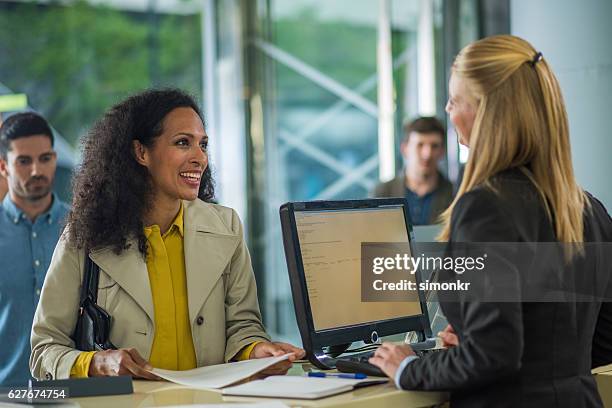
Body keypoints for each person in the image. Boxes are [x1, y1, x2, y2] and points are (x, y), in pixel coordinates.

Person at [369, 35, 612, 407]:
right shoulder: (587, 207)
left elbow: (492, 356)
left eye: (455, 100)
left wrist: (407, 368)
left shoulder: (485, 207)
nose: (448, 111)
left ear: (486, 110)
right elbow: (601, 340)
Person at [30, 89, 304, 380]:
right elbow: (43, 351)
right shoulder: (85, 235)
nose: (200, 157)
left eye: (203, 144)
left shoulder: (227, 227)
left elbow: (243, 328)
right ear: (141, 152)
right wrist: (97, 363)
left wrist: (256, 350)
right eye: (183, 143)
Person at [0, 112, 69, 386]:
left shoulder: (82, 229)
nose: (37, 171)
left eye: (45, 159)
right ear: (4, 166)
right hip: (6, 395)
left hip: (70, 393)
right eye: (24, 161)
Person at [372, 116, 453, 225]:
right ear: (405, 149)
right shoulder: (382, 193)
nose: (427, 154)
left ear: (442, 151)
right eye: (419, 145)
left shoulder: (455, 194)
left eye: (434, 146)